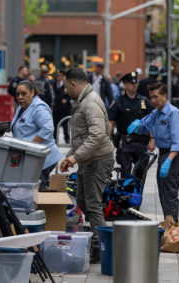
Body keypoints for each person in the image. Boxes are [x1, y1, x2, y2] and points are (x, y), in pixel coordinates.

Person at [59, 68, 114, 263]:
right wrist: (70, 156)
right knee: (82, 201)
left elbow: (98, 135)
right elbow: (83, 136)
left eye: (66, 86)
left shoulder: (90, 103)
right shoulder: (83, 100)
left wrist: (75, 157)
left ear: (73, 84)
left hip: (97, 160)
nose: (66, 90)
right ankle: (98, 240)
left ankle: (101, 248)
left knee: (92, 205)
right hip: (88, 159)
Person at [127, 82, 179, 222]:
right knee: (163, 192)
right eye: (150, 98)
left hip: (173, 155)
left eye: (156, 97)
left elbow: (178, 142)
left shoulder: (173, 113)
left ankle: (173, 227)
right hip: (164, 154)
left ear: (164, 96)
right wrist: (136, 125)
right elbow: (143, 126)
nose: (153, 101)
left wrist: (169, 160)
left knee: (170, 192)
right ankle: (169, 222)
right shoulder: (156, 113)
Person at [10, 80, 62, 190]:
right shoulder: (21, 107)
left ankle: (41, 207)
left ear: (32, 92)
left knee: (36, 191)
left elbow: (47, 129)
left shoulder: (39, 108)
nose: (19, 97)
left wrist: (29, 146)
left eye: (23, 93)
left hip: (43, 158)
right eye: (17, 94)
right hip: (29, 157)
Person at [108, 72, 154, 179]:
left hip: (142, 143)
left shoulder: (144, 101)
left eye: (136, 82)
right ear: (124, 85)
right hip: (125, 143)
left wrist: (153, 139)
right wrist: (106, 141)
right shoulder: (119, 102)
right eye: (131, 82)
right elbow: (111, 122)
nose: (135, 84)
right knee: (126, 172)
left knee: (141, 173)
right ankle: (126, 195)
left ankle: (137, 195)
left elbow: (151, 121)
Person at [52, 70, 71, 143]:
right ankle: (55, 139)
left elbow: (70, 95)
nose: (58, 77)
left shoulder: (66, 85)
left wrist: (66, 99)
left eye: (60, 76)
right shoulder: (53, 84)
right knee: (55, 124)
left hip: (64, 108)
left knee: (65, 124)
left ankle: (67, 138)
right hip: (56, 107)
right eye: (57, 76)